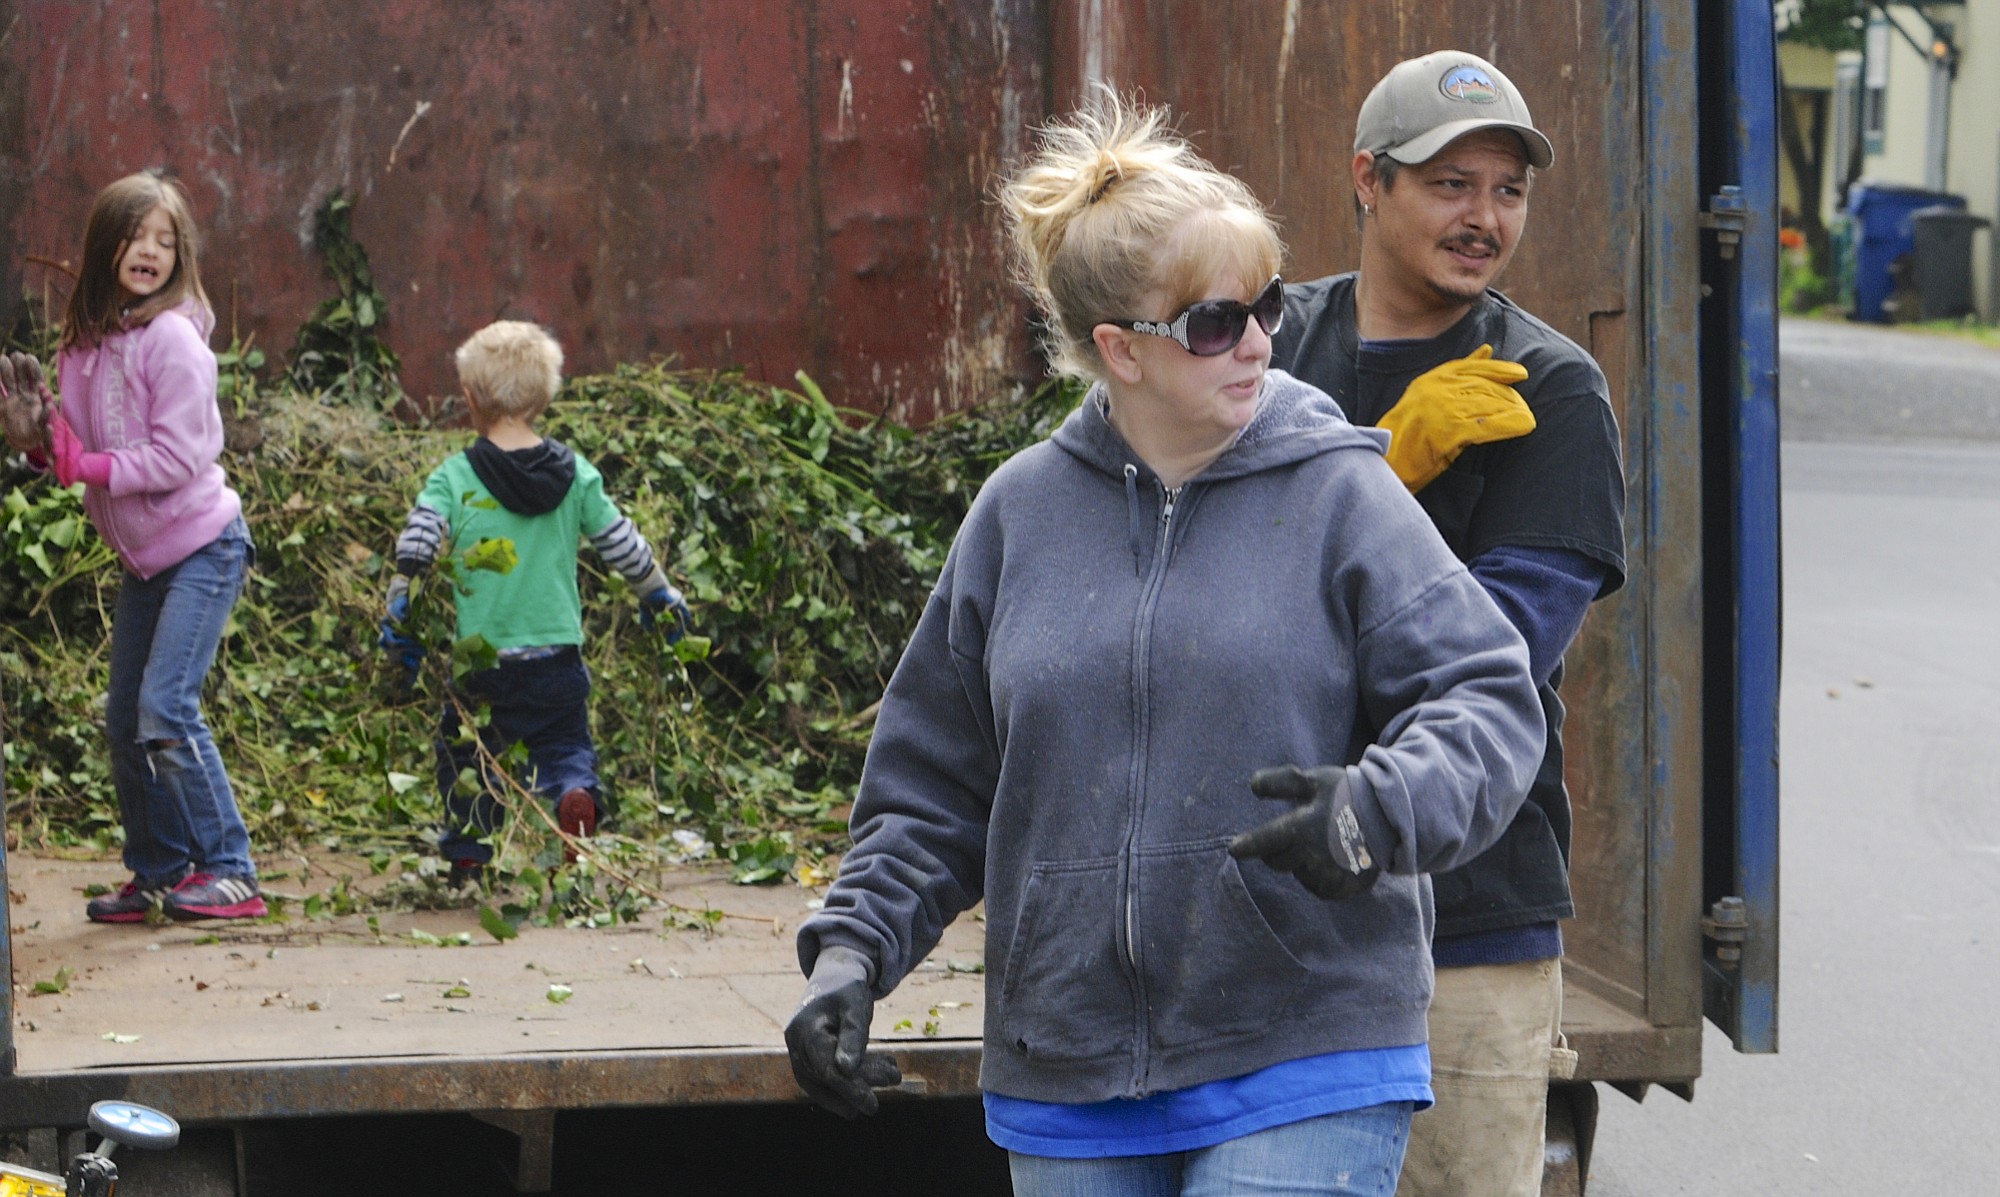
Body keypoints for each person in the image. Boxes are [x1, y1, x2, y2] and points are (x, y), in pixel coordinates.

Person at [783, 96, 1548, 1197]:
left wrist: (1375, 809)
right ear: (1117, 351)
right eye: (1209, 321)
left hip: (1307, 1048)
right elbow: (931, 788)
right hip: (1068, 1069)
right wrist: (850, 959)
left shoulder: (1342, 493)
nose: (1253, 342)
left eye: (1265, 306)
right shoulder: (1016, 517)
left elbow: (1484, 699)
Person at [1268, 50, 1629, 1197]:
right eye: (1448, 184)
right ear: (1367, 181)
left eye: (1506, 191)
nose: (1482, 219)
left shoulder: (1546, 389)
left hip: (1464, 927)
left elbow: (1487, 660)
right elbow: (1184, 587)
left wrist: (1353, 490)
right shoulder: (1264, 351)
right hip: (1263, 910)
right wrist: (1391, 462)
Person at [0, 171, 266, 923]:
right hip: (145, 558)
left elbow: (179, 456)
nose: (149, 250)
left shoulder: (175, 341)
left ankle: (232, 870)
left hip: (204, 546)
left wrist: (81, 464)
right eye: (135, 234)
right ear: (103, 245)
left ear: (180, 259)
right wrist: (36, 442)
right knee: (124, 719)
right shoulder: (83, 345)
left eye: (166, 240)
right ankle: (159, 871)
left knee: (166, 709)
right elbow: (77, 451)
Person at [381, 320, 691, 889]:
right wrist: (661, 595)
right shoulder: (575, 475)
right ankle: (573, 795)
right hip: (558, 658)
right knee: (565, 743)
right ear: (546, 398)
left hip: (484, 664)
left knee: (467, 754)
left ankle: (471, 852)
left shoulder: (455, 476)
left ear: (470, 398)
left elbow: (417, 545)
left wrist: (402, 611)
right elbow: (623, 543)